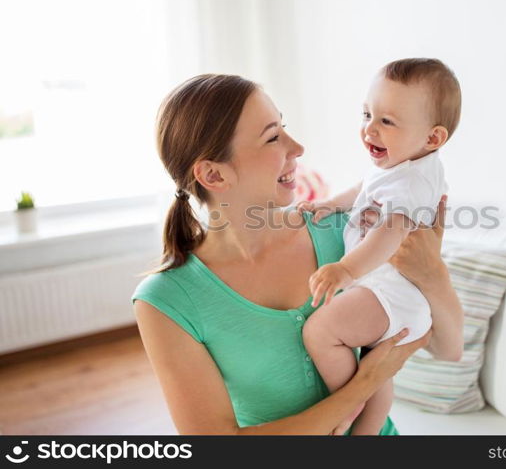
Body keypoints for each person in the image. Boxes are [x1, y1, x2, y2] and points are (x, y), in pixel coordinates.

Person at [131, 73, 464, 435]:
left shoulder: (346, 231)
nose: (298, 148)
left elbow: (448, 349)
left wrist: (432, 272)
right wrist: (364, 384)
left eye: (284, 127)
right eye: (273, 137)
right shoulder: (166, 301)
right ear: (213, 174)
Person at [297, 58, 462, 435]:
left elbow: (390, 231)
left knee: (320, 332)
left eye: (387, 121)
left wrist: (346, 270)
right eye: (367, 114)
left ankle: (349, 402)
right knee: (378, 363)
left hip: (391, 292)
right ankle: (367, 431)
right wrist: (329, 204)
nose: (369, 129)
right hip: (391, 294)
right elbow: (363, 188)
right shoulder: (401, 164)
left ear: (432, 138)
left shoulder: (412, 184)